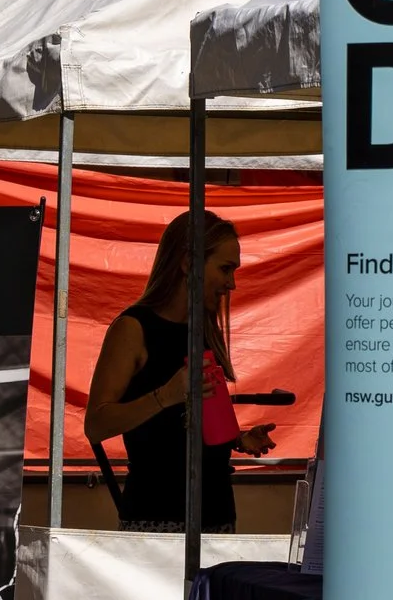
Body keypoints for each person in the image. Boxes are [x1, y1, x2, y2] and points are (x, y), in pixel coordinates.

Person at [84, 212, 275, 532]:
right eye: (225, 269)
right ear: (189, 263)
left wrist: (237, 439)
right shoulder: (133, 328)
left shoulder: (202, 329)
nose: (232, 283)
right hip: (155, 518)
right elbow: (96, 425)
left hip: (217, 515)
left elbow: (189, 427)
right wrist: (165, 396)